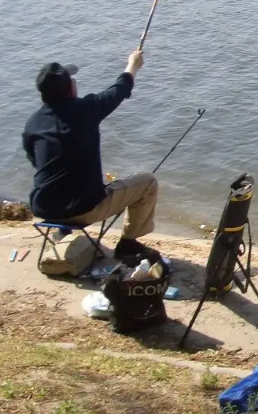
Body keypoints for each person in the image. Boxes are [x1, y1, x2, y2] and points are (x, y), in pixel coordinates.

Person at [22, 48, 159, 258]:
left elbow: (38, 163)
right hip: (83, 210)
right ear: (70, 88)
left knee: (61, 178)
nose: (76, 83)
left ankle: (63, 231)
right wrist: (133, 64)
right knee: (148, 183)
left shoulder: (32, 124)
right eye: (73, 81)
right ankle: (128, 244)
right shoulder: (86, 109)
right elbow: (118, 90)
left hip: (44, 208)